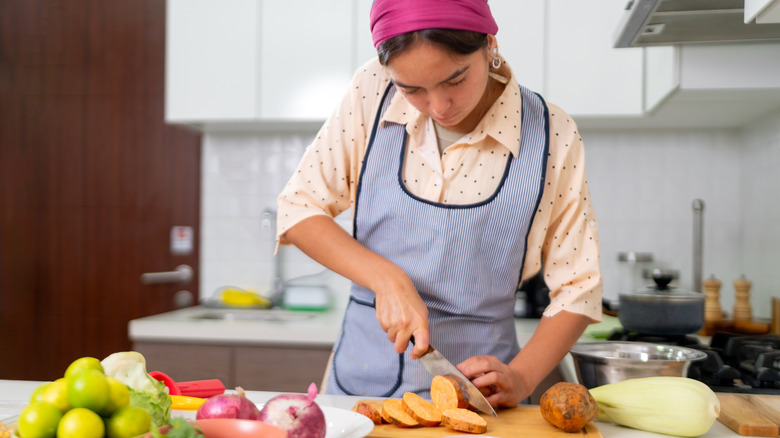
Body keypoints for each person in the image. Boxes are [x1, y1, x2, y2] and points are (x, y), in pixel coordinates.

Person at [276, 0, 603, 407]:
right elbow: (298, 210)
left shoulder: (552, 133)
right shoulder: (372, 91)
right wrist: (386, 279)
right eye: (411, 89)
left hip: (478, 396)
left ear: (489, 44)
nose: (438, 106)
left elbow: (579, 289)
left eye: (455, 79)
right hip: (359, 389)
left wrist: (520, 377)